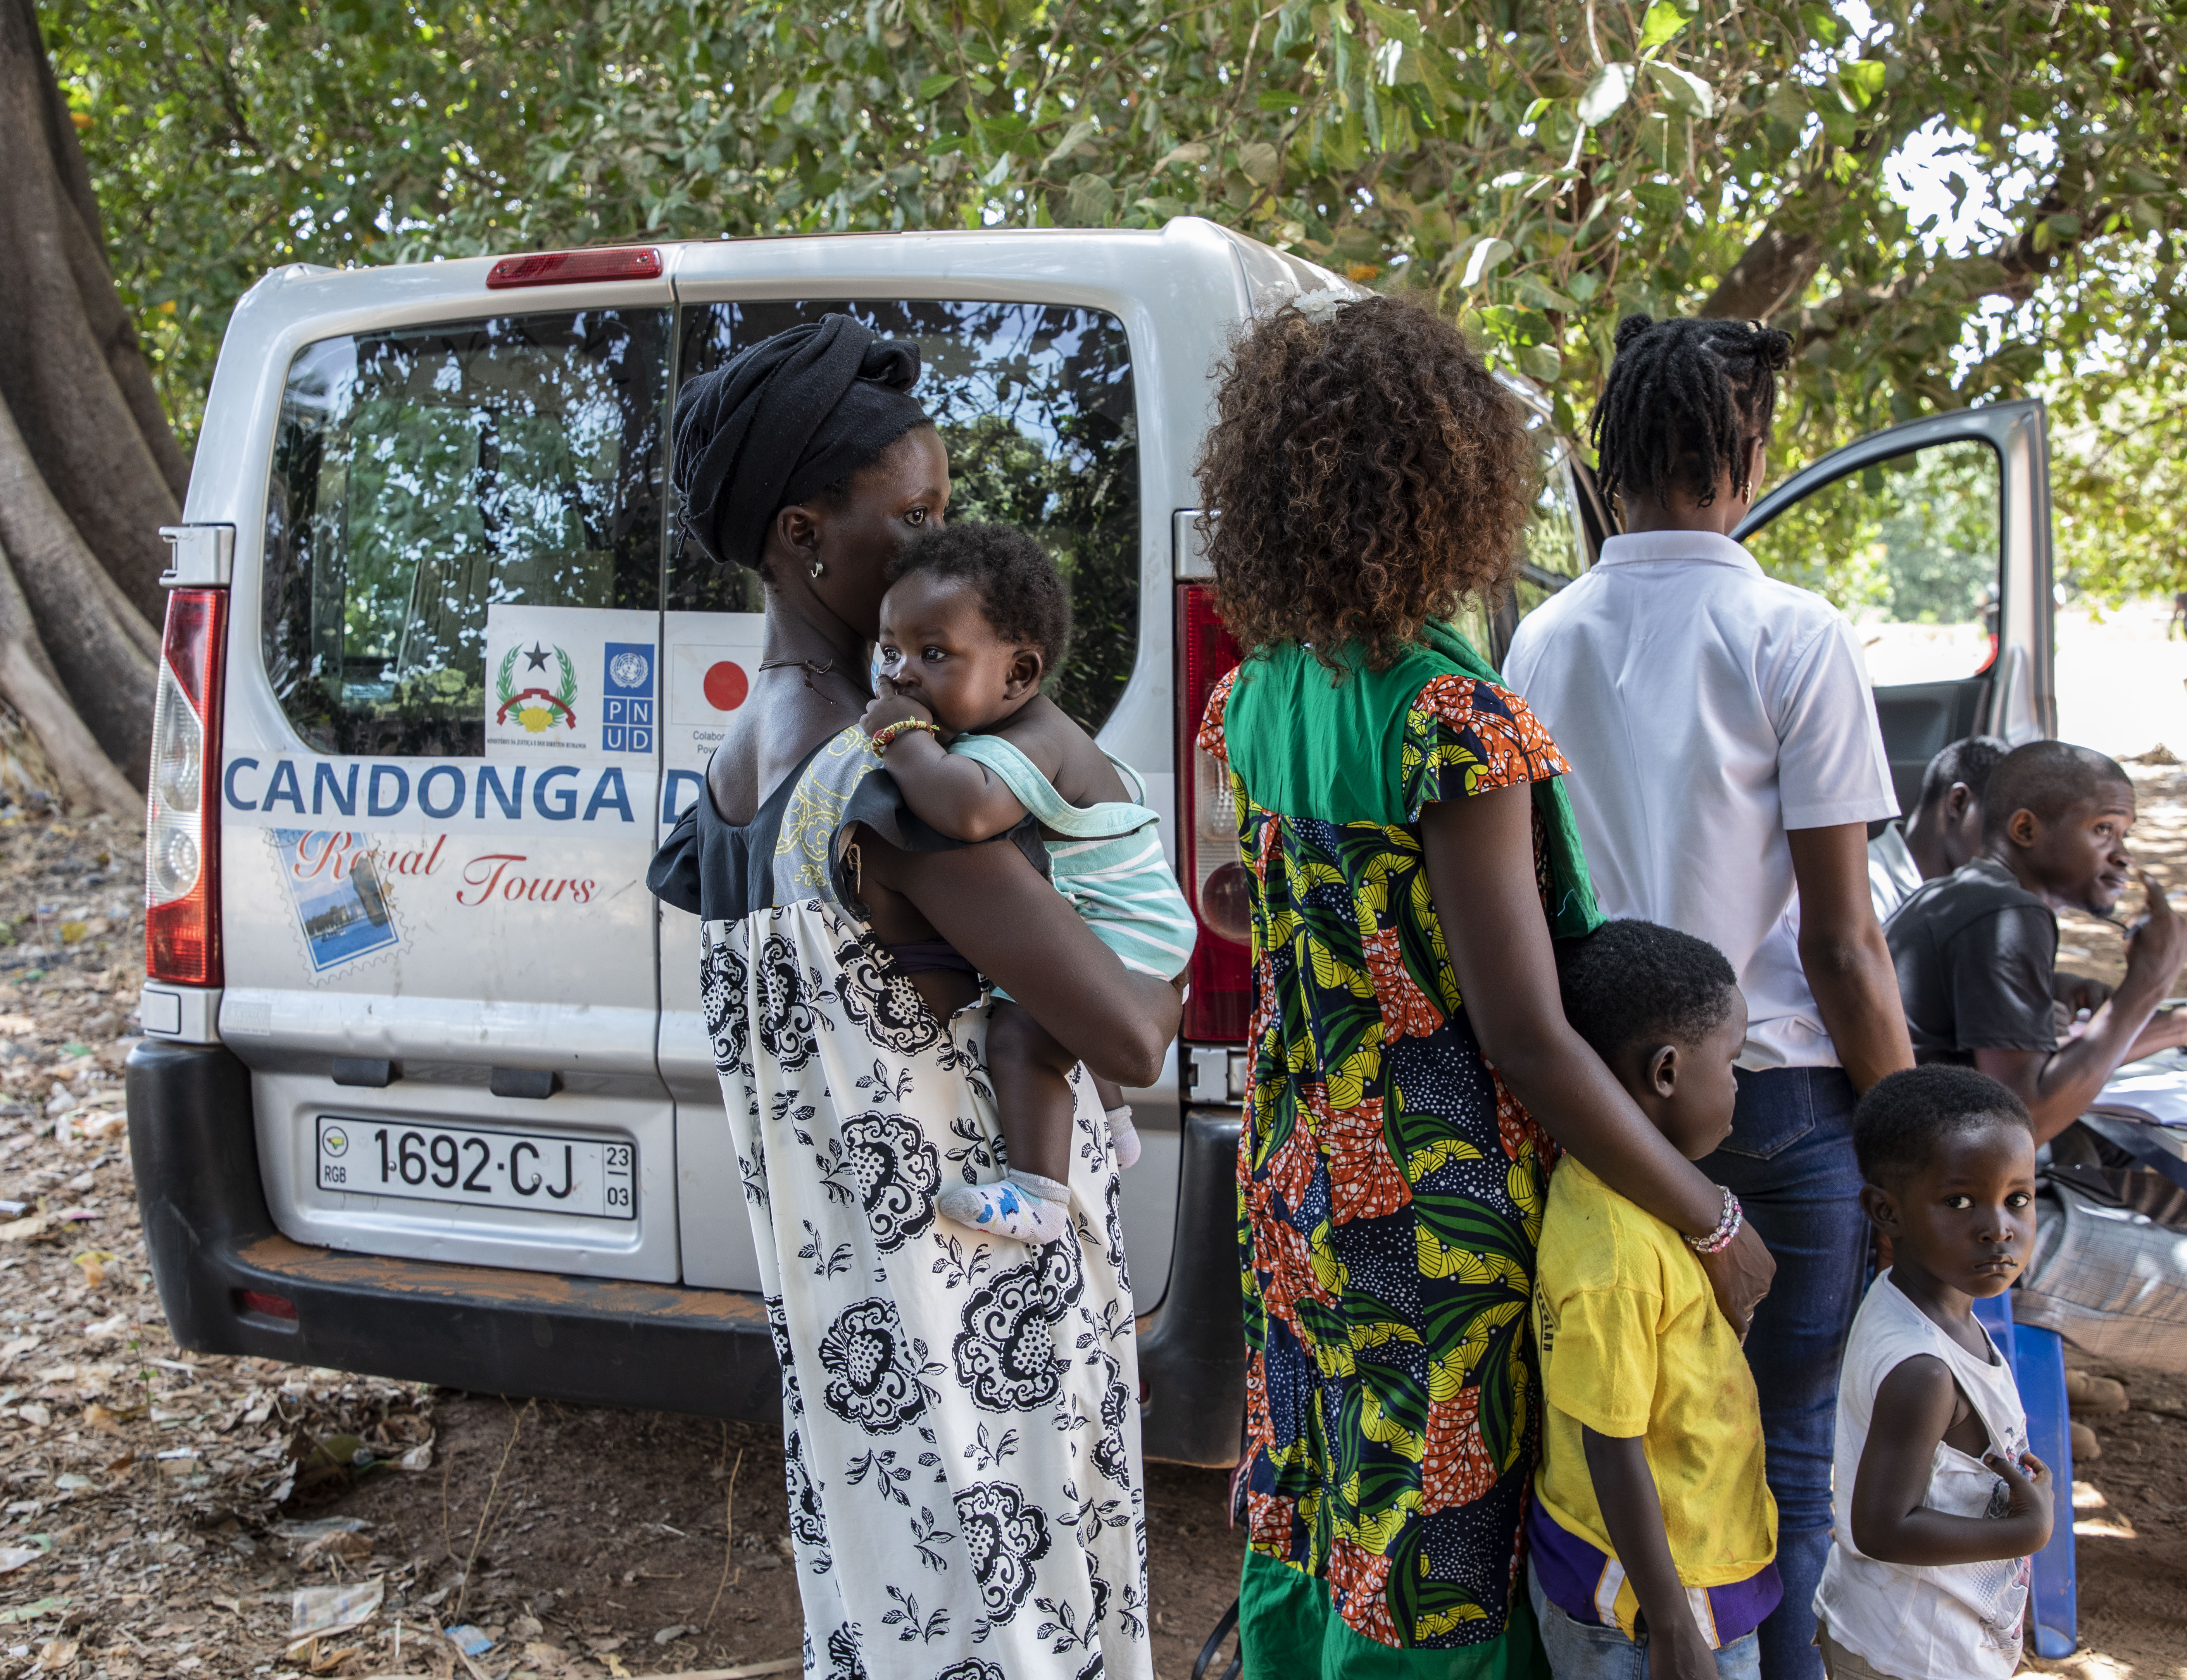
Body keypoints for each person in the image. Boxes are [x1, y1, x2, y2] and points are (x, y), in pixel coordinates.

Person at [1194, 289, 1773, 1678]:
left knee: (1328, 1496)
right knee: (1434, 1556)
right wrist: (1708, 1221)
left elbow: (1246, 904)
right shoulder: (1451, 721)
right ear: (1454, 481)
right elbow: (1523, 1031)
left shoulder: (1262, 694)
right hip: (1434, 1215)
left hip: (1301, 1184)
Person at [644, 316, 1174, 1680]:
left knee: (895, 1623)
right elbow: (1127, 1035)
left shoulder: (732, 774)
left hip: (850, 1340)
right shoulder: (893, 784)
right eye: (916, 515)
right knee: (1023, 1630)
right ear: (806, 534)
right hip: (985, 1317)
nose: (946, 540)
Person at [1505, 314, 1916, 1680]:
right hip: (1784, 1099)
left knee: (1613, 1437)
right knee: (1780, 1458)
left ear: (1610, 455)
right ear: (1749, 456)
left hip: (1603, 1106)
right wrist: (1915, 1134)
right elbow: (1849, 950)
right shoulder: (1794, 634)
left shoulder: (1538, 644)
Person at [855, 522, 1193, 1243]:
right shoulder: (1012, 728)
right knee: (1049, 1000)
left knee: (1021, 1033)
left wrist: (898, 737)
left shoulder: (1033, 738)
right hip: (1120, 919)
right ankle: (1117, 1129)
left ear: (1018, 674)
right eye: (891, 651)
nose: (902, 673)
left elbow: (966, 810)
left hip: (1129, 929)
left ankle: (1036, 1198)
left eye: (934, 653)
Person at [1882, 738, 2187, 1375]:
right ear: (2025, 829)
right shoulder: (2004, 915)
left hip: (1985, 1199)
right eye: (2102, 830)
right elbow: (2026, 1116)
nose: (2120, 855)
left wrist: (2167, 1023)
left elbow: (2031, 1068)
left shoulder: (1967, 895)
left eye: (2124, 832)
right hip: (1976, 1232)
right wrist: (2145, 988)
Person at [1533, 920, 1780, 1680]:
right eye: (1732, 1062)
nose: (1741, 1084)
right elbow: (1613, 1446)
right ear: (1666, 1070)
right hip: (1651, 1614)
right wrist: (1672, 1627)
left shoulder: (1619, 1191)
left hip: (1691, 1570)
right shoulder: (1617, 1257)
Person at [1814, 1066, 2052, 1680]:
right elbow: (1881, 1527)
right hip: (1912, 1652)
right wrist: (2026, 1529)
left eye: (2017, 1198)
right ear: (1885, 1211)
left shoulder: (1912, 1297)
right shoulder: (1923, 1371)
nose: (1997, 1226)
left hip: (1907, 1631)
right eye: (1959, 1200)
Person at [1866, 736, 2008, 924]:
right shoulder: (1866, 886)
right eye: (2002, 826)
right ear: (1959, 803)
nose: (2010, 851)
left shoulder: (1971, 903)